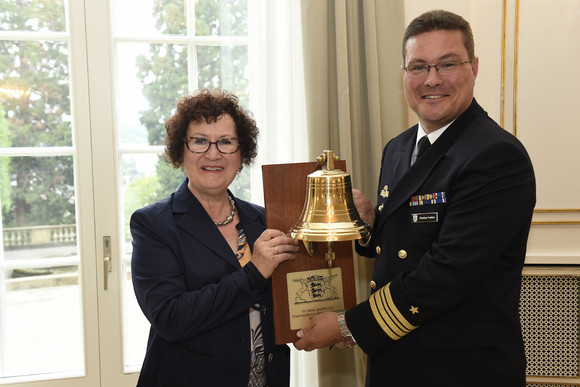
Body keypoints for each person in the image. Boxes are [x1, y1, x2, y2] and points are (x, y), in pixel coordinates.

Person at [293, 10, 535, 387]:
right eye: (418, 67)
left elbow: (446, 274)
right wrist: (371, 227)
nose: (432, 79)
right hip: (396, 360)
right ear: (404, 74)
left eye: (447, 64)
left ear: (473, 67)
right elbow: (405, 247)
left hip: (461, 370)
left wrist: (346, 326)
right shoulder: (399, 148)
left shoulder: (495, 155)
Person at [131, 89, 299, 387]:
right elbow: (171, 319)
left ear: (241, 151)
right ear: (179, 151)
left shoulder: (264, 221)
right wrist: (253, 273)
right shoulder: (153, 225)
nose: (213, 153)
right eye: (199, 141)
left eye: (225, 142)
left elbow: (289, 303)